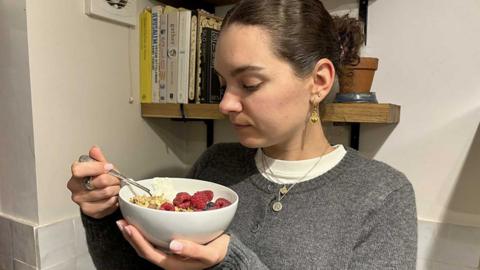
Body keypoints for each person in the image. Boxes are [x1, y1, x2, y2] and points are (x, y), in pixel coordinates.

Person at [67, 0, 417, 269]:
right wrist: (102, 216)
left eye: (249, 83)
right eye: (223, 84)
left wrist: (230, 262)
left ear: (319, 81)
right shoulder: (216, 166)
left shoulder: (382, 196)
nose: (226, 104)